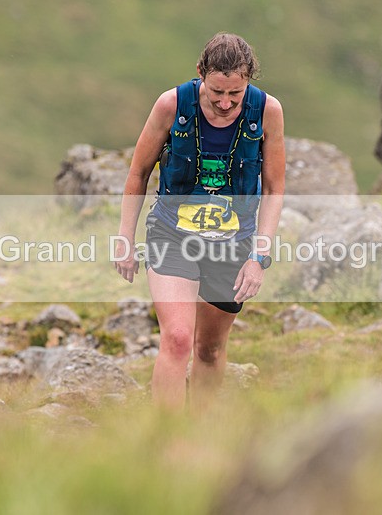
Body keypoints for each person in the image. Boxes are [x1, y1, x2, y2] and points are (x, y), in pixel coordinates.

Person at [114, 32, 285, 410]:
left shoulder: (268, 111)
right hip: (171, 234)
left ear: (248, 83)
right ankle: (167, 438)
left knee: (209, 349)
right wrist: (124, 237)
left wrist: (259, 257)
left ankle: (201, 431)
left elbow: (274, 189)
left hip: (234, 243)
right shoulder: (171, 105)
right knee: (176, 338)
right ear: (200, 75)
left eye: (234, 96)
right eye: (215, 92)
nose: (225, 103)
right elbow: (138, 173)